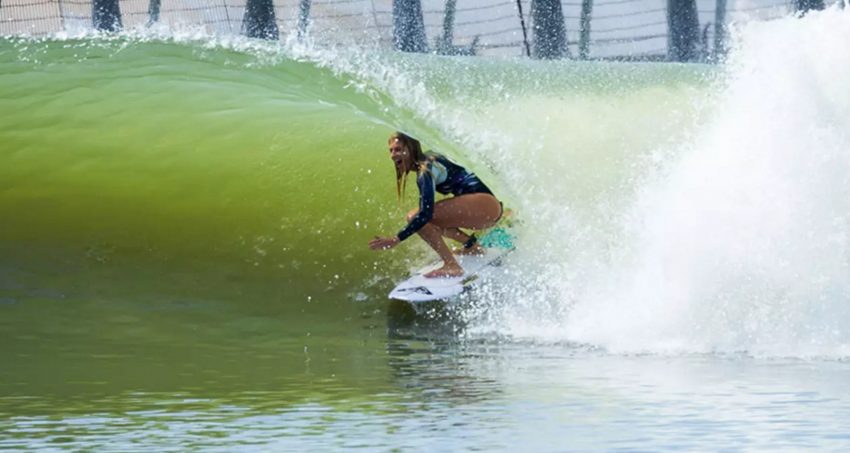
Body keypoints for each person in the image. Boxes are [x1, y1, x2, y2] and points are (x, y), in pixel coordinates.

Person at [368, 132, 502, 278]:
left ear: (411, 148)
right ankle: (472, 247)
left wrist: (396, 239)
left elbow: (425, 213)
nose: (393, 155)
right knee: (430, 220)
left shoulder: (425, 170)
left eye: (398, 149)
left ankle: (451, 265)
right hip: (488, 207)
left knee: (416, 217)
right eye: (391, 150)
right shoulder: (429, 158)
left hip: (485, 206)